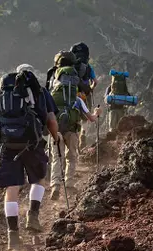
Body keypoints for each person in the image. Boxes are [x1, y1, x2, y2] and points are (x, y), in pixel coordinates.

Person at [0, 64, 60, 250]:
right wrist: (56, 138)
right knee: (39, 179)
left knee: (12, 189)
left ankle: (13, 236)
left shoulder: (1, 91)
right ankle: (33, 216)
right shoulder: (39, 91)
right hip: (32, 144)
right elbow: (51, 120)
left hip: (7, 146)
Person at [48, 52, 101, 200]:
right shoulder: (77, 99)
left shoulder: (52, 96)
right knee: (71, 157)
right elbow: (90, 118)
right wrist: (97, 112)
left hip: (56, 130)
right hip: (72, 129)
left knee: (56, 158)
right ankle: (69, 184)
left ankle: (55, 185)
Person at [70, 42, 98, 148]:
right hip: (85, 95)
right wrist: (90, 88)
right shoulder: (88, 67)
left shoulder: (70, 66)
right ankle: (83, 134)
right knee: (85, 117)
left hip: (72, 95)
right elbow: (95, 82)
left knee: (74, 117)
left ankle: (75, 137)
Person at [105, 70, 132, 136]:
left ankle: (112, 141)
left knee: (112, 128)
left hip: (112, 110)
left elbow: (106, 99)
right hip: (121, 110)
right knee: (121, 129)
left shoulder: (110, 88)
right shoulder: (124, 88)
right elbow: (129, 98)